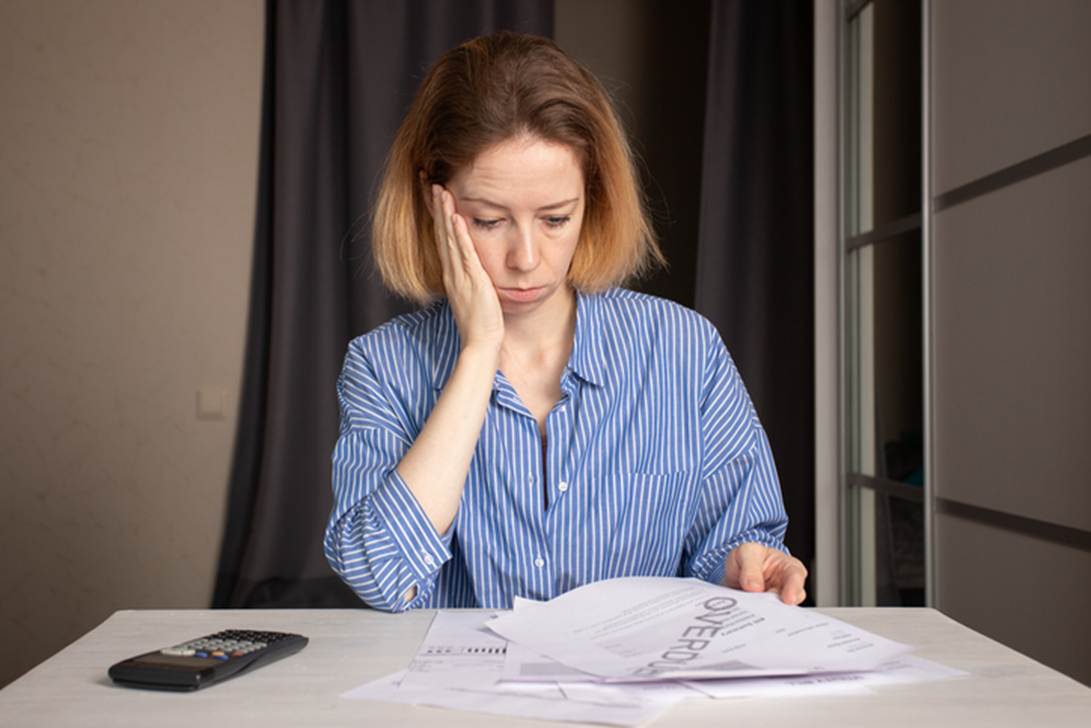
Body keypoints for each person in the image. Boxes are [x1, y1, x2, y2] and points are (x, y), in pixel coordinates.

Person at [324, 31, 807, 612]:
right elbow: (382, 578)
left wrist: (744, 564)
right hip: (464, 701)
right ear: (435, 201)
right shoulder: (382, 368)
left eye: (555, 219)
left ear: (593, 198)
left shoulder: (685, 348)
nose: (526, 259)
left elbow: (733, 545)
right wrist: (479, 352)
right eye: (488, 220)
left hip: (639, 694)